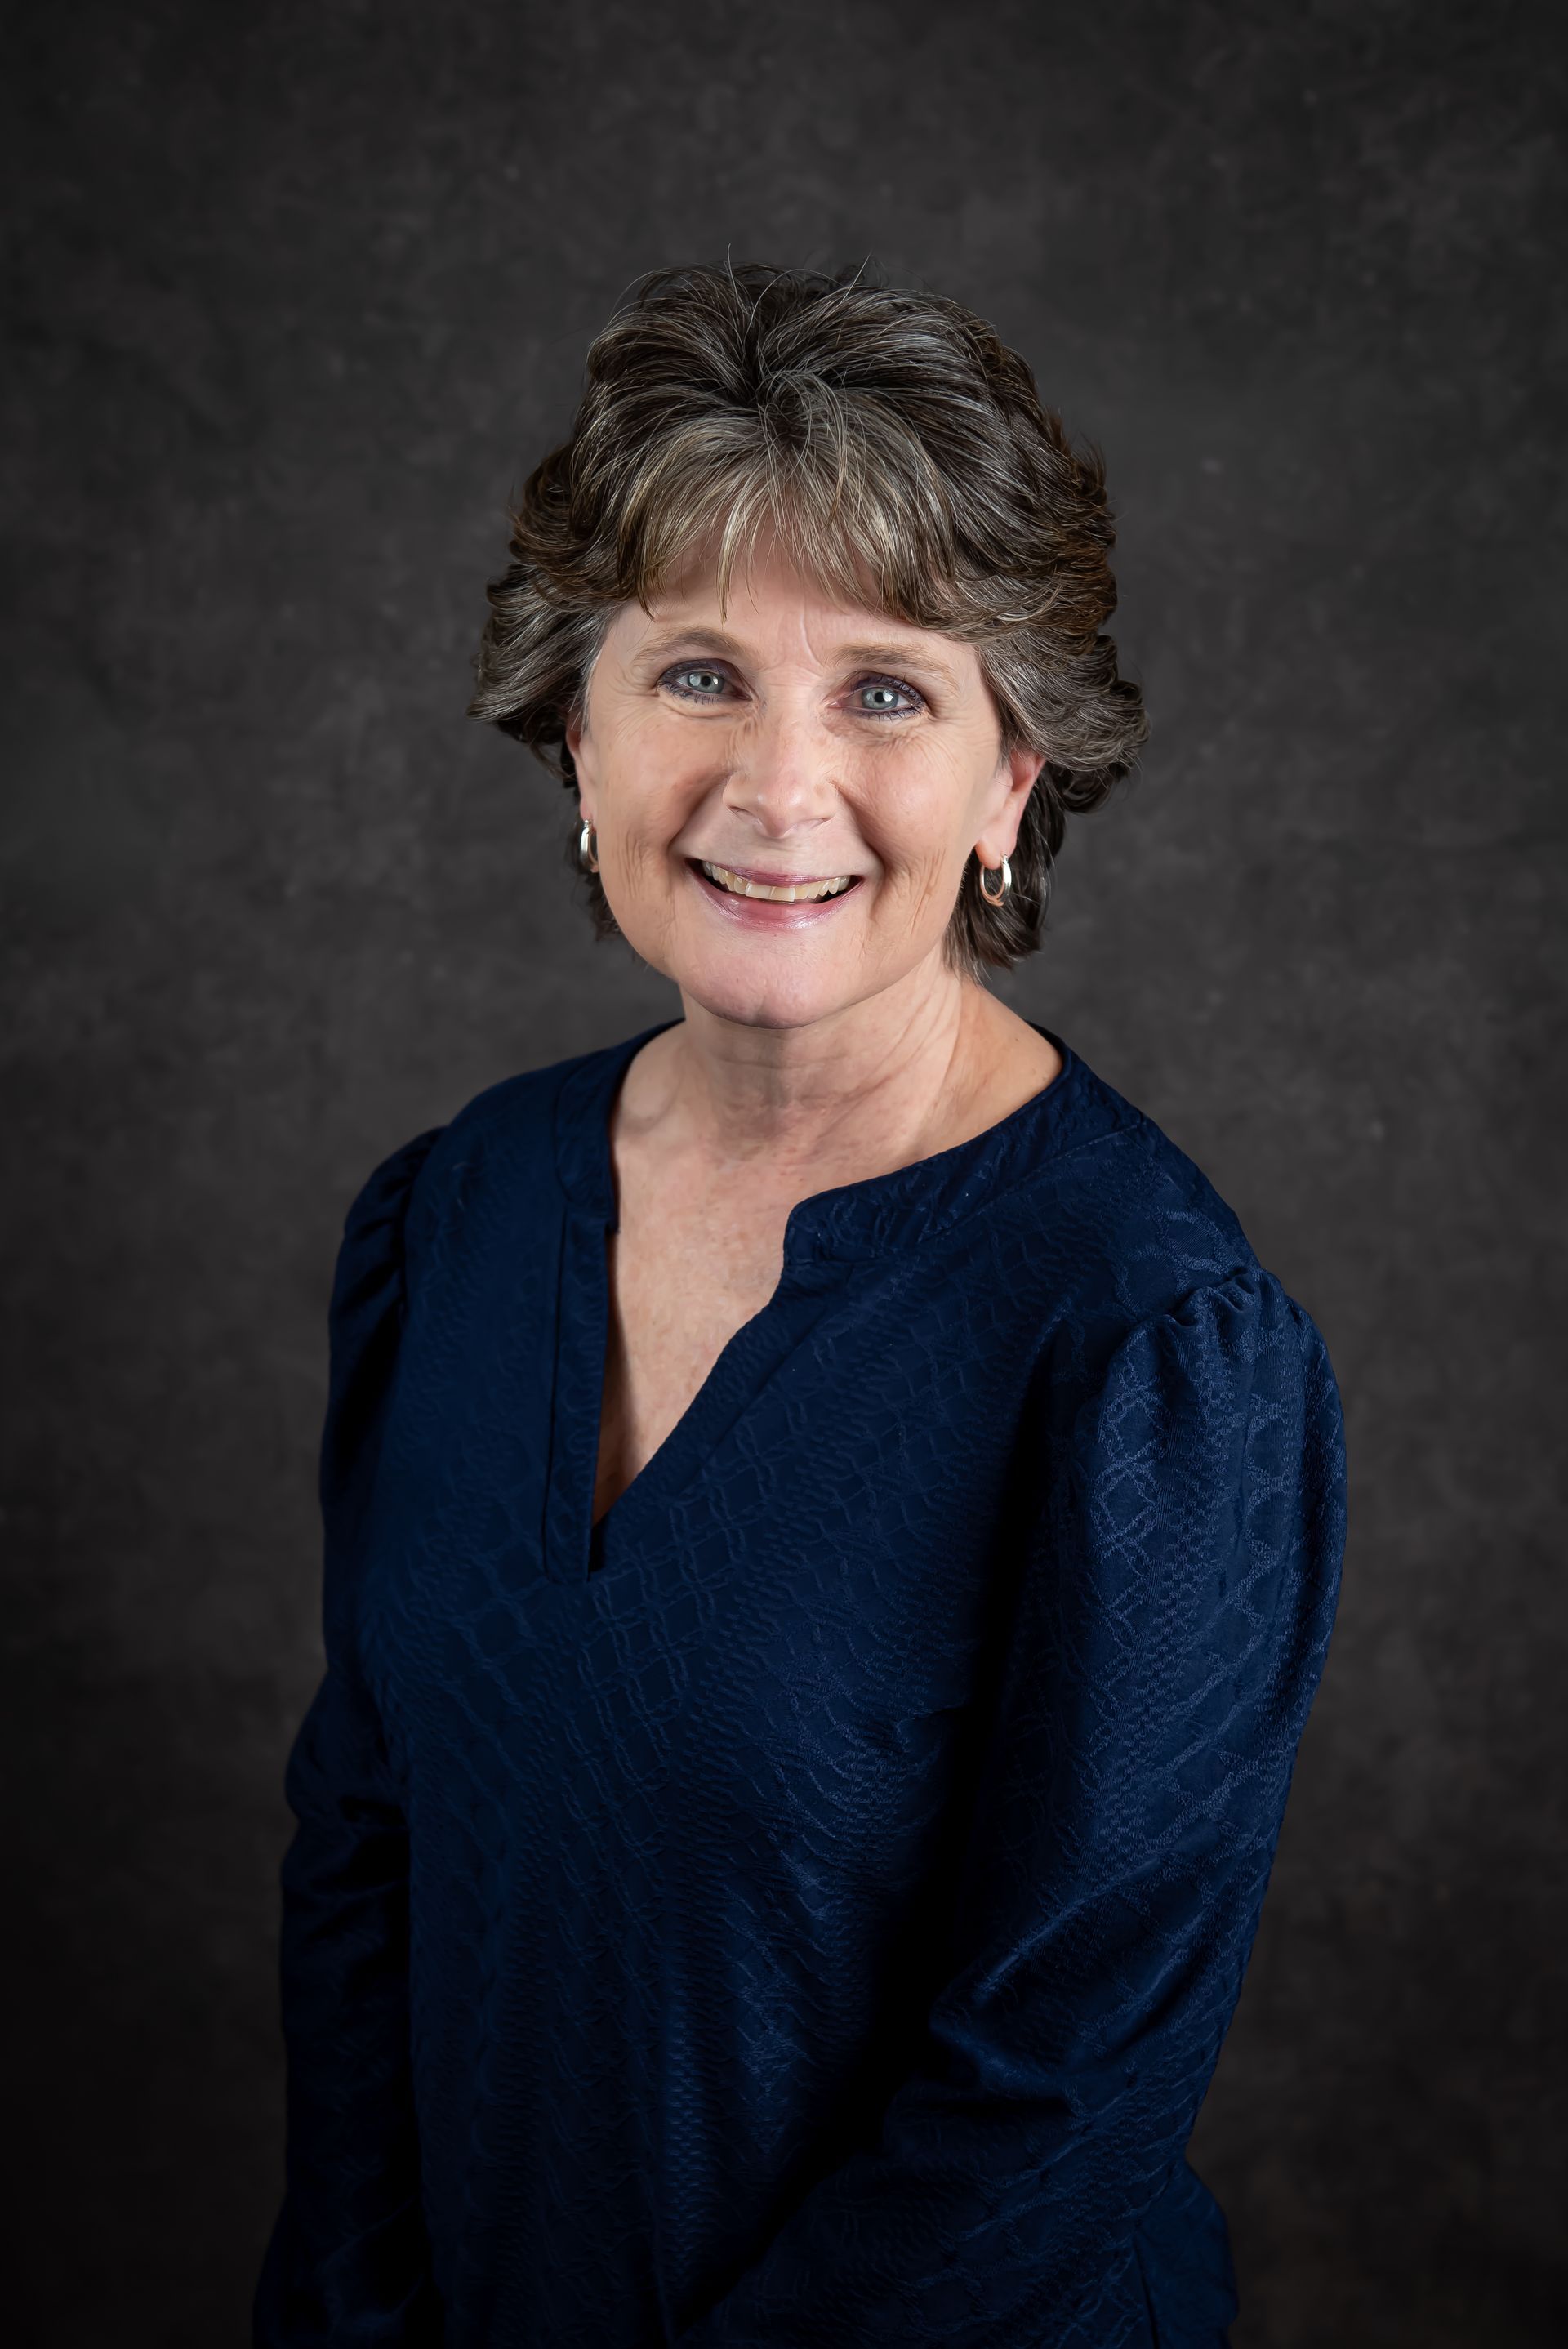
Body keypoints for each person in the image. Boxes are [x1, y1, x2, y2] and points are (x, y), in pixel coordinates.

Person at [254, 261, 1346, 2349]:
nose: (777, 788)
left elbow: (1050, 2105)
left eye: (883, 691)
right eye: (693, 677)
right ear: (571, 727)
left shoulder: (1148, 1350)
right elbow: (365, 1862)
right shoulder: (459, 1216)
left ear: (1012, 778)